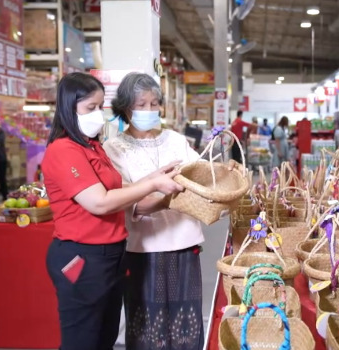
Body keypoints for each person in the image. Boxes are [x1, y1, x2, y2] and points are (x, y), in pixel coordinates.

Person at [41, 72, 184, 350]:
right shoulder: (64, 150)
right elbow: (100, 202)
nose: (98, 115)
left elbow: (119, 188)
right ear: (69, 108)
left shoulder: (92, 146)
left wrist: (153, 177)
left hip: (111, 255)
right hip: (82, 257)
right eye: (89, 108)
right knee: (82, 341)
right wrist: (153, 183)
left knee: (104, 337)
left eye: (99, 107)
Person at [103, 73, 209, 350]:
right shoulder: (114, 149)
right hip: (142, 248)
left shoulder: (175, 140)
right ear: (126, 108)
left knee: (187, 320)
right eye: (142, 104)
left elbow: (200, 177)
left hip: (184, 243)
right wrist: (167, 197)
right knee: (147, 322)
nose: (150, 111)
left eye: (154, 104)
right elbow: (131, 201)